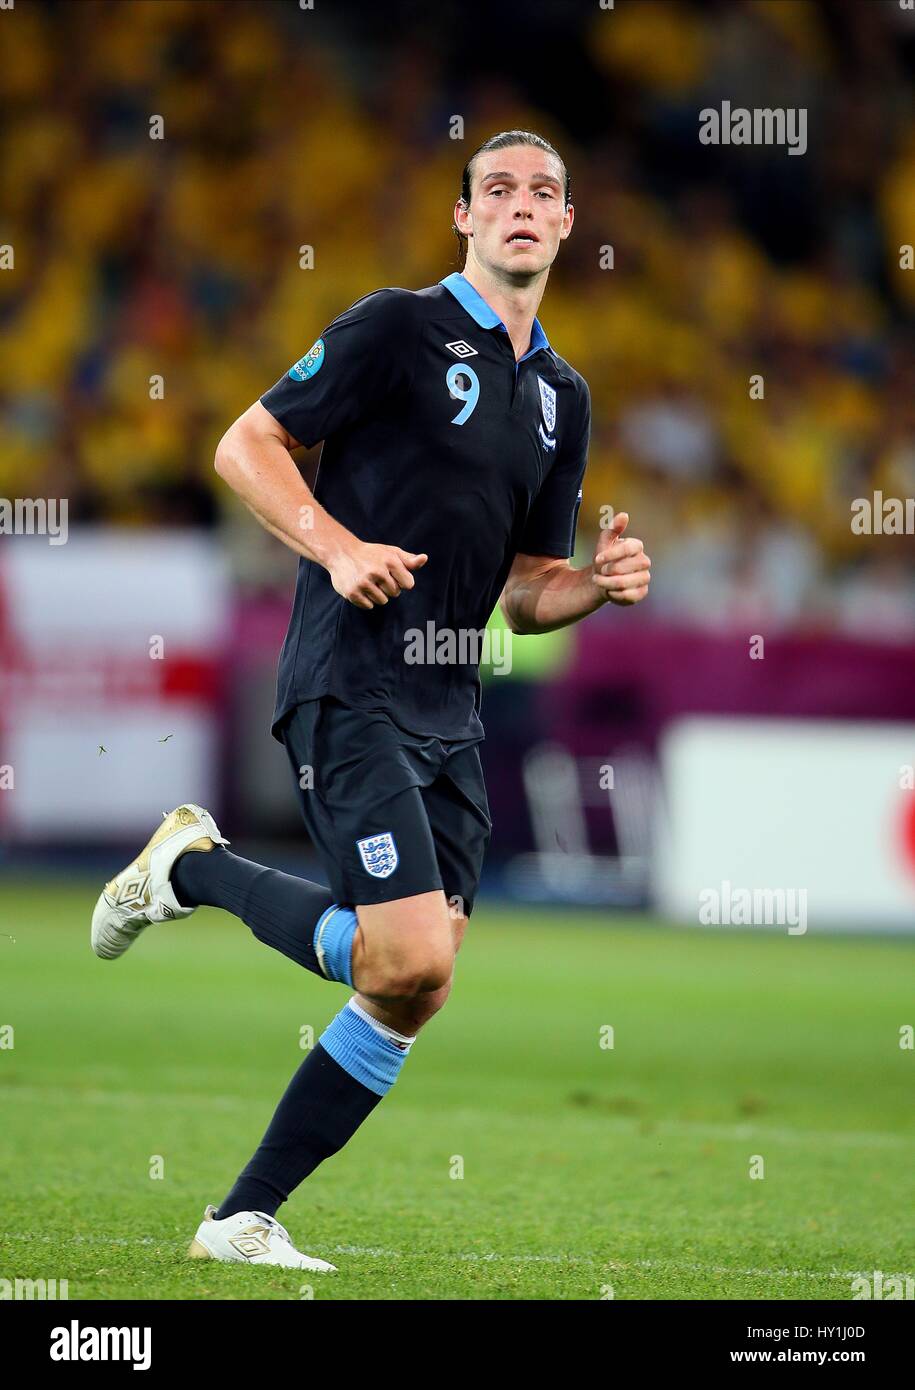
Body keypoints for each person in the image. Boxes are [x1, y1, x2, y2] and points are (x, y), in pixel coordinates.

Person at [90, 130, 652, 1271]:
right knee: (404, 958)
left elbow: (523, 591)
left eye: (544, 192)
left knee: (414, 988)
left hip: (452, 708)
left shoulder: (561, 397)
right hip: (348, 679)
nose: (521, 208)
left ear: (569, 223)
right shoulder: (397, 328)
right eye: (497, 190)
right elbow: (245, 443)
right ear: (464, 217)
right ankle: (187, 870)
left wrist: (593, 585)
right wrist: (338, 546)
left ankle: (238, 1218)